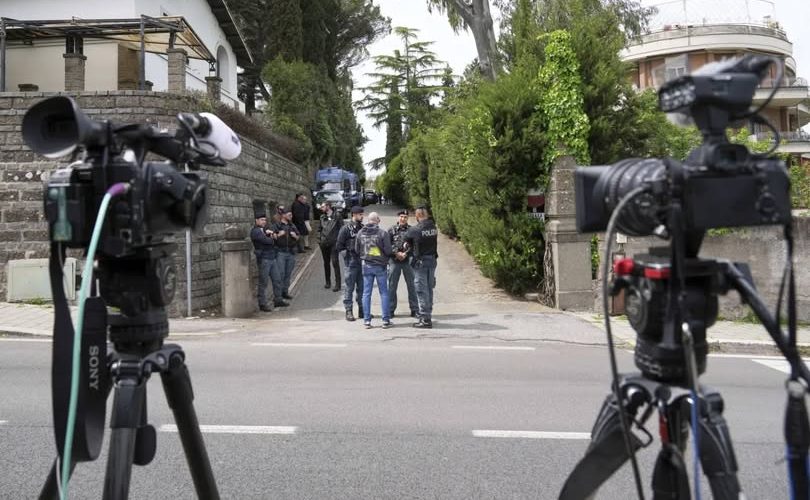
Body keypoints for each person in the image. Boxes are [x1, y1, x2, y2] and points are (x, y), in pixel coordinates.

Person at [354, 212, 392, 329]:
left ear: (368, 220)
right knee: (384, 293)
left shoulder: (360, 233)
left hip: (367, 265)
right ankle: (385, 320)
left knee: (366, 293)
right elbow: (388, 251)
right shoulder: (382, 233)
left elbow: (356, 250)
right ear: (377, 220)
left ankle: (367, 321)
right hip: (380, 266)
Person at [403, 207, 438, 328]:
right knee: (429, 288)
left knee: (421, 290)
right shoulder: (433, 227)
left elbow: (405, 240)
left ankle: (425, 319)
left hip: (420, 262)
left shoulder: (415, 229)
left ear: (417, 216)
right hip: (432, 260)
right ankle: (428, 313)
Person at [336, 205, 365, 321]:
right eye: (360, 214)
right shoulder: (346, 228)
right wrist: (347, 257)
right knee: (349, 287)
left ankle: (362, 310)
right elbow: (339, 245)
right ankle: (349, 311)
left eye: (362, 214)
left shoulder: (362, 228)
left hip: (362, 261)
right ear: (354, 215)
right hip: (351, 261)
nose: (362, 216)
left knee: (362, 287)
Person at [387, 210, 418, 318]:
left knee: (412, 286)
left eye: (405, 217)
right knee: (392, 286)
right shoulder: (391, 230)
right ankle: (390, 309)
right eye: (401, 216)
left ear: (407, 218)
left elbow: (414, 245)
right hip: (394, 260)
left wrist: (406, 253)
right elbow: (387, 244)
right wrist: (396, 253)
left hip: (408, 260)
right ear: (398, 217)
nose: (403, 219)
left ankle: (415, 309)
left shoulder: (412, 230)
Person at [271, 207, 299, 305]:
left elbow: (298, 237)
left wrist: (295, 236)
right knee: (280, 274)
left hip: (290, 252)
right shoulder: (276, 225)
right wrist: (279, 234)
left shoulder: (292, 225)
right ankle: (277, 297)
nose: (291, 216)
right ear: (283, 215)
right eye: (289, 215)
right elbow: (272, 237)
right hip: (280, 253)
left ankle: (285, 292)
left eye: (291, 214)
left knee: (288, 274)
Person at [250, 212, 277, 312]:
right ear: (256, 220)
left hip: (271, 257)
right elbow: (267, 241)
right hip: (264, 259)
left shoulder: (264, 230)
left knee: (277, 279)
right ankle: (262, 303)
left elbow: (272, 240)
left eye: (265, 220)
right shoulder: (255, 231)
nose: (264, 222)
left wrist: (270, 236)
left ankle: (277, 299)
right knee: (263, 282)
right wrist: (271, 237)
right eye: (262, 220)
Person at [318, 201, 343, 291]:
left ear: (328, 206)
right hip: (324, 243)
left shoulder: (337, 216)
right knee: (326, 263)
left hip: (334, 243)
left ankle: (338, 284)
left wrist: (339, 241)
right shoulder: (322, 217)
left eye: (323, 206)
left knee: (335, 262)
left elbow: (342, 229)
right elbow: (319, 229)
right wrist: (319, 240)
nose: (321, 208)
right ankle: (328, 282)